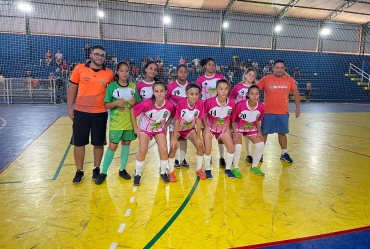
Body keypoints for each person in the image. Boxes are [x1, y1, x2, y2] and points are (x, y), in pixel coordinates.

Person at [68, 45, 114, 184]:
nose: (100, 57)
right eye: (97, 54)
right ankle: (79, 171)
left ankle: (96, 168)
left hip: (99, 113)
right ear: (91, 55)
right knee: (79, 142)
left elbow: (112, 92)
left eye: (102, 55)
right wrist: (70, 108)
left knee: (98, 143)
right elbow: (72, 88)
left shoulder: (109, 74)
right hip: (81, 111)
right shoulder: (79, 68)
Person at [95, 61, 141, 185]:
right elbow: (105, 105)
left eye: (127, 71)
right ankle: (103, 172)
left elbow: (137, 102)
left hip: (129, 123)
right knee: (112, 146)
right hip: (116, 123)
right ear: (117, 72)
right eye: (122, 71)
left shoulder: (133, 86)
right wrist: (116, 103)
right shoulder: (112, 87)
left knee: (126, 145)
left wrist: (134, 102)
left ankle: (122, 169)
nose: (125, 73)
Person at [131, 81, 174, 186]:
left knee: (164, 149)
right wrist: (136, 127)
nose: (159, 94)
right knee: (143, 150)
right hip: (145, 129)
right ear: (153, 92)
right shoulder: (147, 104)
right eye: (156, 91)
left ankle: (163, 172)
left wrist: (166, 124)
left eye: (161, 91)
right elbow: (132, 110)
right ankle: (138, 173)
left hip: (159, 129)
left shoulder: (169, 105)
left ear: (166, 92)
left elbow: (173, 114)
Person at [257, 60, 300, 163]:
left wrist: (297, 107)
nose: (279, 69)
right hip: (268, 112)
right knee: (264, 133)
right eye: (277, 67)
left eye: (281, 67)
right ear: (273, 68)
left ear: (284, 69)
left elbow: (296, 93)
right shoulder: (266, 79)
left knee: (282, 133)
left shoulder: (289, 80)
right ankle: (259, 154)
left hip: (283, 112)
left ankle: (284, 153)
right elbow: (255, 90)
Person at [169, 84, 206, 180]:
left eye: (196, 94)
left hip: (189, 129)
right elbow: (177, 120)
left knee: (200, 145)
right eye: (191, 94)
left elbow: (198, 120)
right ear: (186, 94)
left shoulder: (200, 103)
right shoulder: (181, 103)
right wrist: (174, 137)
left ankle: (199, 169)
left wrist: (198, 136)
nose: (194, 96)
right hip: (178, 128)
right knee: (173, 146)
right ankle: (171, 172)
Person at [196, 58, 227, 168]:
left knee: (221, 132)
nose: (212, 67)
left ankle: (222, 157)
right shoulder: (200, 79)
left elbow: (226, 90)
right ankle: (208, 153)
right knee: (206, 133)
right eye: (209, 65)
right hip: (206, 108)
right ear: (205, 66)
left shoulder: (220, 77)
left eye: (213, 65)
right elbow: (198, 95)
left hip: (219, 108)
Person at [203, 79, 236, 179]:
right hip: (210, 127)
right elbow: (203, 115)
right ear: (216, 90)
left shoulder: (232, 102)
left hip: (223, 128)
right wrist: (205, 129)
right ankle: (208, 170)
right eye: (221, 89)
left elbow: (230, 116)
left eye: (226, 89)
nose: (224, 91)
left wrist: (227, 128)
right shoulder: (209, 102)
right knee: (208, 149)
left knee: (231, 147)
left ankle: (228, 169)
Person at [231, 85, 265, 177]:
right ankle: (235, 168)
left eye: (257, 94)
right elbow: (233, 120)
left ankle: (254, 167)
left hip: (251, 128)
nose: (254, 96)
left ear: (259, 95)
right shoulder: (240, 105)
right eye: (252, 94)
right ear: (248, 95)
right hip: (238, 127)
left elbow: (258, 120)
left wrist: (259, 132)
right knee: (238, 145)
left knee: (260, 144)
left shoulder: (261, 106)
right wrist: (234, 133)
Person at [230, 67, 261, 163]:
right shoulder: (238, 87)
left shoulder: (255, 87)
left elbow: (257, 101)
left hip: (250, 115)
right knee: (236, 136)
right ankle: (233, 157)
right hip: (238, 115)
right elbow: (231, 98)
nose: (251, 76)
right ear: (245, 75)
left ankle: (249, 155)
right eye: (250, 74)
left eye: (253, 75)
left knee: (248, 134)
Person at [166, 65, 191, 170]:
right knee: (174, 139)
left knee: (183, 138)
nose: (183, 73)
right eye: (181, 71)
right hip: (174, 119)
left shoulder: (190, 86)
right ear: (177, 73)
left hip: (186, 119)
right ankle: (175, 159)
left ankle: (183, 159)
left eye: (185, 72)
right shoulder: (171, 86)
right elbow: (166, 101)